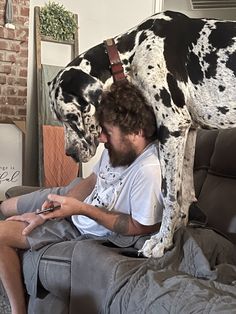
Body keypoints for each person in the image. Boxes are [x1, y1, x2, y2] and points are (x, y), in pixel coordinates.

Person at [0, 81, 163, 314]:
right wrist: (44, 214)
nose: (102, 139)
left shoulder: (149, 170)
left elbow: (140, 225)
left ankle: (17, 310)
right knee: (7, 209)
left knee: (2, 233)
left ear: (137, 132)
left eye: (108, 132)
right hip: (74, 207)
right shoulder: (119, 149)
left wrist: (80, 210)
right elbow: (91, 180)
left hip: (85, 227)